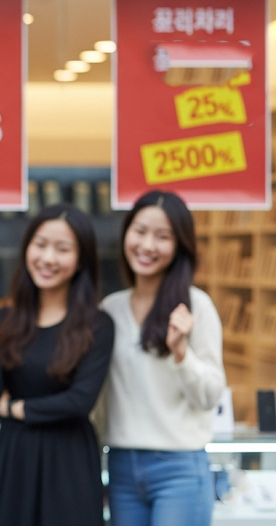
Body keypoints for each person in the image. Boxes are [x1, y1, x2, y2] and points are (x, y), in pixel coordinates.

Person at [0, 203, 114, 526]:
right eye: (40, 244)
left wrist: (16, 408)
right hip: (15, 457)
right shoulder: (5, 319)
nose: (47, 258)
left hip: (69, 459)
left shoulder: (97, 325)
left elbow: (79, 401)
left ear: (81, 258)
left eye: (62, 248)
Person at [100, 190, 225, 526]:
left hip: (179, 470)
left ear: (179, 245)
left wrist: (181, 353)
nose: (148, 245)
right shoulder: (109, 310)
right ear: (126, 233)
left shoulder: (196, 307)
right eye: (140, 231)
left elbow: (211, 394)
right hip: (122, 467)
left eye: (163, 236)